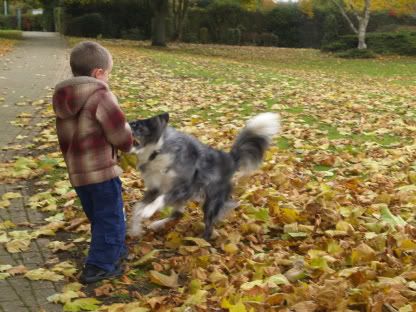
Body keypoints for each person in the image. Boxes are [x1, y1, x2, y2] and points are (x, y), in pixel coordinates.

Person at [52, 41, 133, 284]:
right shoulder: (100, 95)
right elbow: (118, 131)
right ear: (98, 73)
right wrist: (129, 146)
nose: (108, 79)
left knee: (99, 216)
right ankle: (99, 266)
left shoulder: (63, 97)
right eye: (108, 73)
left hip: (78, 173)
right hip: (101, 172)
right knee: (111, 217)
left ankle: (114, 250)